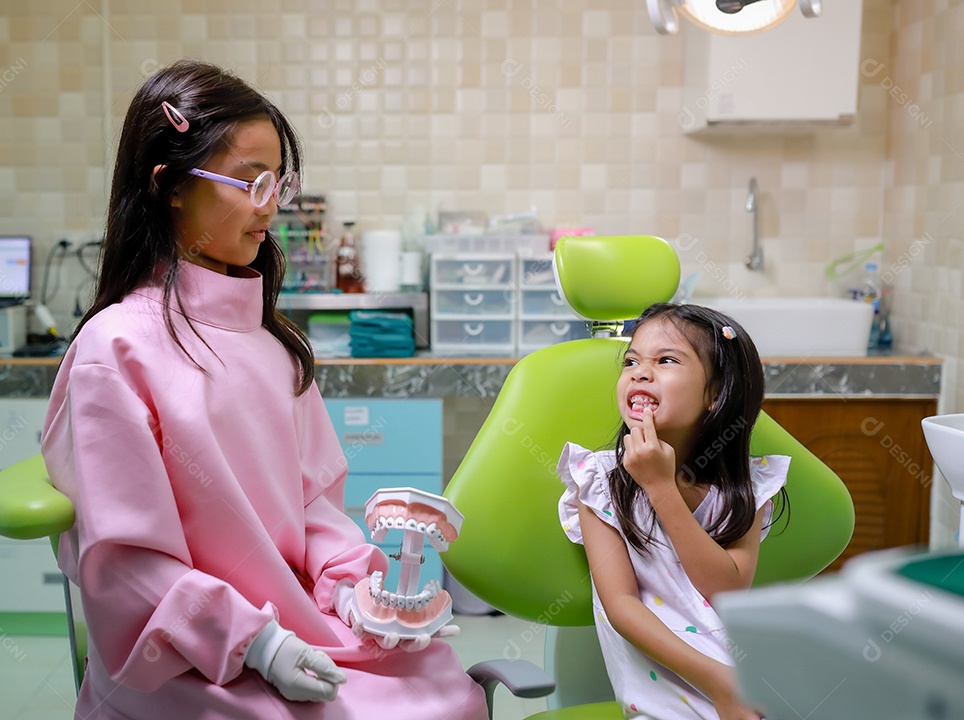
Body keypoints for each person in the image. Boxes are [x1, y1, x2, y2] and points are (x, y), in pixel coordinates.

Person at [41, 59, 488, 720]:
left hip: (297, 621)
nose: (271, 204)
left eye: (278, 180)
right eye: (250, 182)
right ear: (169, 185)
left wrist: (356, 592)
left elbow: (314, 510)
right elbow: (126, 562)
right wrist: (258, 644)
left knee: (447, 690)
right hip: (193, 652)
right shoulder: (118, 349)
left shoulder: (272, 343)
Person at [557, 303, 789, 720]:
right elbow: (622, 607)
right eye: (631, 361)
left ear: (716, 393)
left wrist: (662, 487)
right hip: (668, 694)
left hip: (747, 674)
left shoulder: (746, 490)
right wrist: (720, 685)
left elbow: (725, 590)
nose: (639, 372)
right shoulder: (600, 481)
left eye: (665, 360)